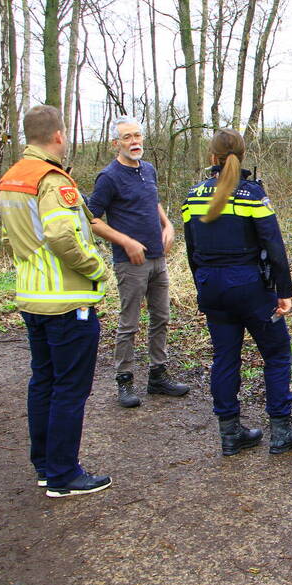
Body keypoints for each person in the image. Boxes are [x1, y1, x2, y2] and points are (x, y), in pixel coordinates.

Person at [0, 105, 112, 498]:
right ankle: (64, 475)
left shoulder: (13, 178)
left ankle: (46, 466)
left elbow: (11, 238)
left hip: (33, 297)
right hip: (66, 300)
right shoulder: (51, 179)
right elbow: (62, 236)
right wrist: (96, 266)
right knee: (70, 389)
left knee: (44, 382)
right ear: (59, 135)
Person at [182, 128, 292, 456]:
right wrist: (284, 290)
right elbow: (273, 245)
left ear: (212, 158)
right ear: (242, 156)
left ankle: (230, 433)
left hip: (213, 288)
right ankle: (281, 429)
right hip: (250, 287)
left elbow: (192, 249)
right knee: (277, 353)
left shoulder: (193, 196)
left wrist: (202, 290)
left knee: (225, 357)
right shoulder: (252, 195)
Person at [87, 116, 189, 408]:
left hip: (158, 259)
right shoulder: (108, 177)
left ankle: (157, 376)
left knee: (161, 318)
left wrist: (167, 225)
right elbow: (92, 219)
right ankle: (125, 380)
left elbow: (152, 200)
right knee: (129, 323)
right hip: (130, 263)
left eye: (137, 135)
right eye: (127, 137)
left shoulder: (148, 170)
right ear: (115, 143)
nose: (134, 142)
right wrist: (126, 242)